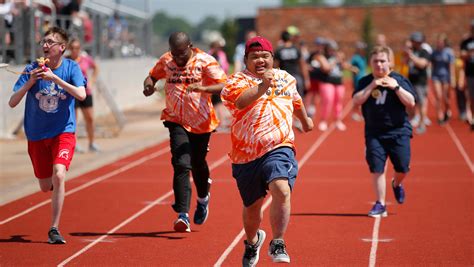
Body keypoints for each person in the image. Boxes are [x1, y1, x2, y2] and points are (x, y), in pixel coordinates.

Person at [221, 36, 313, 266]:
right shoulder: (235, 81)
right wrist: (262, 86)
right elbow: (241, 102)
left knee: (281, 189)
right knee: (252, 209)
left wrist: (305, 120)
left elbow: (296, 101)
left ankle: (278, 241)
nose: (260, 60)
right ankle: (253, 242)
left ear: (273, 58)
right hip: (245, 154)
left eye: (265, 56)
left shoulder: (286, 78)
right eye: (255, 57)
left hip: (279, 146)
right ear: (246, 60)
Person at [8, 26, 86, 243]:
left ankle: (54, 228)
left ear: (62, 48)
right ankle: (53, 186)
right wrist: (31, 82)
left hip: (64, 131)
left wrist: (55, 79)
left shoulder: (72, 67)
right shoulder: (32, 68)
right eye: (44, 41)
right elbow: (12, 102)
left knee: (59, 174)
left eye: (50, 42)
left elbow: (81, 94)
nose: (45, 45)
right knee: (45, 186)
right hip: (36, 135)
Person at [142, 32, 227, 232]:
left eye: (182, 54)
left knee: (198, 164)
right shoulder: (166, 60)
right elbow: (152, 76)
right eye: (175, 54)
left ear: (190, 46)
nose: (178, 59)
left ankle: (203, 198)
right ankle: (183, 214)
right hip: (175, 119)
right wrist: (148, 86)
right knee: (181, 164)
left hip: (201, 122)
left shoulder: (205, 61)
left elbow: (224, 85)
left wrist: (203, 88)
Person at [352, 45, 416, 217]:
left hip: (398, 131)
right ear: (371, 64)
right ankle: (380, 203)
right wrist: (372, 85)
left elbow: (411, 102)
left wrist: (396, 87)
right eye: (376, 61)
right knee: (377, 168)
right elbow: (356, 100)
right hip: (374, 132)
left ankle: (396, 184)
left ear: (390, 63)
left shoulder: (399, 79)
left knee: (403, 167)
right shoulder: (365, 81)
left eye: (382, 61)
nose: (379, 65)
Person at [67, 38, 100, 152]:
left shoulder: (85, 59)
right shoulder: (67, 61)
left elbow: (95, 68)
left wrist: (91, 81)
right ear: (69, 49)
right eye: (72, 48)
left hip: (86, 92)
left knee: (90, 118)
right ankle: (74, 144)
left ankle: (92, 143)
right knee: (73, 119)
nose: (75, 50)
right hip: (72, 93)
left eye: (77, 48)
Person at [405, 32, 431, 134]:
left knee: (421, 103)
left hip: (420, 81)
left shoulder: (424, 52)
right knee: (411, 102)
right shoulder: (411, 51)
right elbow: (405, 62)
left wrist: (411, 56)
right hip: (411, 80)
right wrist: (407, 55)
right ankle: (413, 120)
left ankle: (422, 124)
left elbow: (422, 64)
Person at [430, 33, 455, 125]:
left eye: (440, 42)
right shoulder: (434, 52)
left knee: (445, 97)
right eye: (438, 42)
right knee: (438, 96)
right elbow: (431, 63)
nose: (439, 44)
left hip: (446, 76)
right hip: (436, 76)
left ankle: (447, 110)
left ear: (444, 43)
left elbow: (451, 66)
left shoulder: (449, 52)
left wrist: (452, 78)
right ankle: (439, 115)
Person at [460, 19, 474, 130]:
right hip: (470, 73)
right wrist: (469, 53)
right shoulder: (466, 42)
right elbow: (462, 55)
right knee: (472, 98)